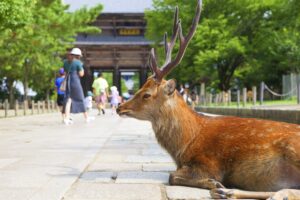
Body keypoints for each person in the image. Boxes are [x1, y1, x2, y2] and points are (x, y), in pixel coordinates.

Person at [63, 47, 94, 124]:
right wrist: (82, 69)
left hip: (68, 81)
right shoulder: (78, 63)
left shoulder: (65, 62)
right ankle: (86, 117)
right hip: (75, 81)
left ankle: (66, 118)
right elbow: (81, 74)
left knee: (68, 100)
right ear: (78, 55)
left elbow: (65, 73)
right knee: (80, 98)